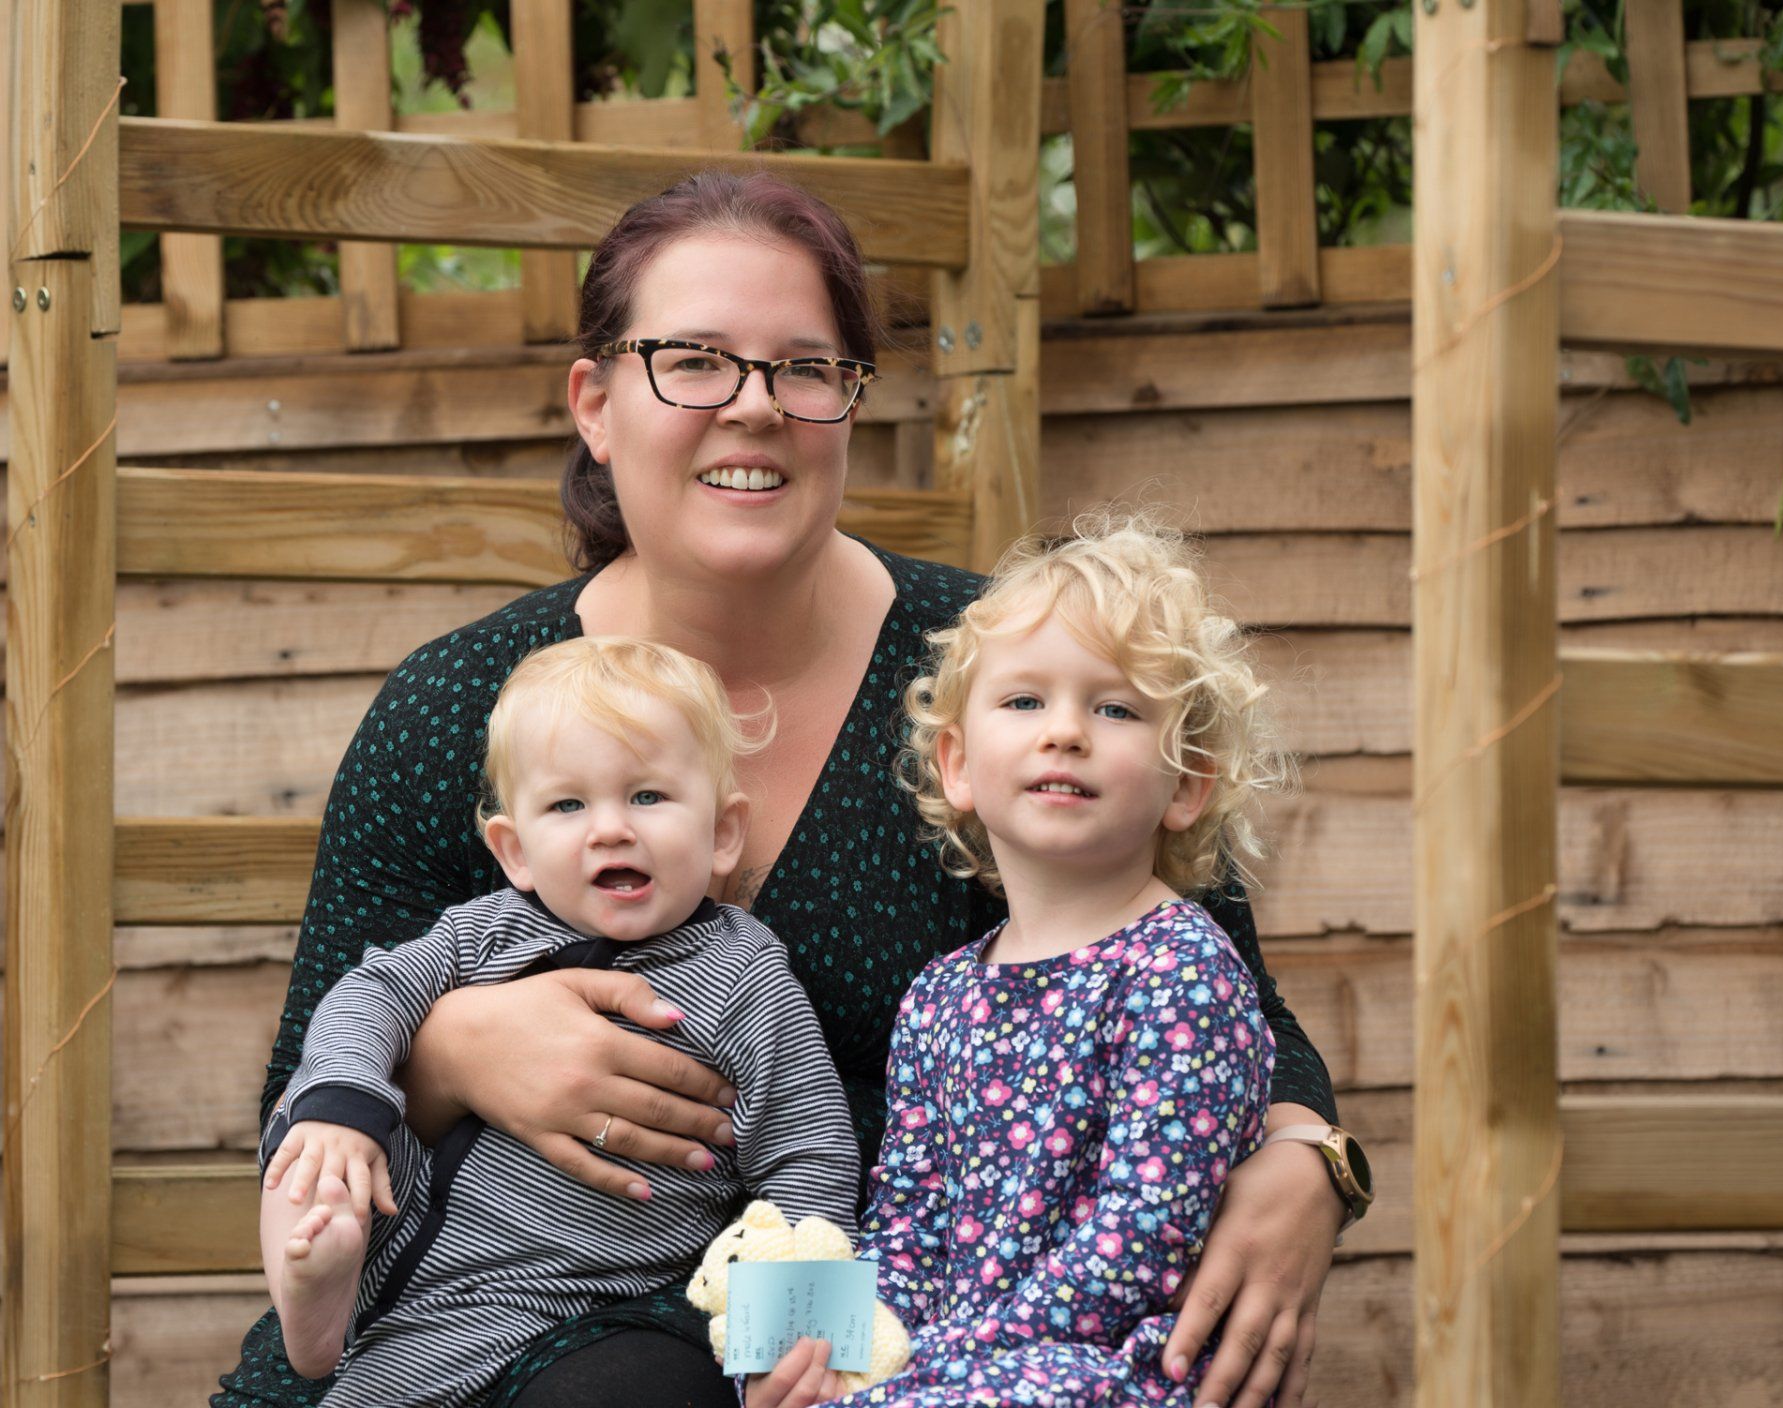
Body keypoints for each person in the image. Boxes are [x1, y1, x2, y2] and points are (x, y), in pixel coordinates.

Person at [213, 170, 1351, 1408]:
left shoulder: (1009, 676)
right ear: (594, 403)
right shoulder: (464, 708)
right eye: (693, 360)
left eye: (806, 368)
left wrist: (1306, 1160)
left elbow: (1218, 988)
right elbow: (309, 1101)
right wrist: (453, 1051)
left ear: (851, 405)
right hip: (463, 1313)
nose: (753, 408)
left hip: (858, 1335)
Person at [747, 516, 1305, 1408]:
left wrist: (929, 1371)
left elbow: (1139, 1246)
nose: (1066, 733)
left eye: (1115, 708)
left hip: (1110, 1366)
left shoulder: (1181, 970)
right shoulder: (939, 996)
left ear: (1187, 782)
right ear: (959, 765)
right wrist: (845, 1357)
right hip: (960, 1365)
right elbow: (909, 1226)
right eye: (1024, 702)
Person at [257, 637, 859, 1407]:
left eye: (647, 797)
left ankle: (330, 1309)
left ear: (721, 835)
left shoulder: (745, 977)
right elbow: (367, 993)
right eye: (568, 805)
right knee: (313, 1129)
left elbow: (810, 1156)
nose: (610, 829)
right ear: (516, 852)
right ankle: (315, 1297)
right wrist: (346, 1108)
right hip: (396, 1224)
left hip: (581, 1290)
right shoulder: (484, 933)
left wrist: (789, 1341)